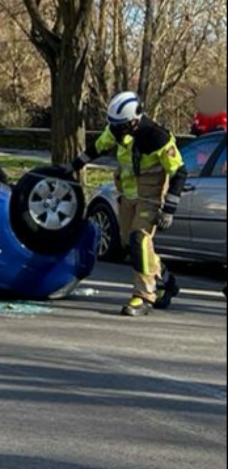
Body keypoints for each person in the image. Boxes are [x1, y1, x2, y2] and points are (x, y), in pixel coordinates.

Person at [71, 90, 186, 317]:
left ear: (134, 121)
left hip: (150, 197)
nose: (114, 130)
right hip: (126, 196)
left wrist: (170, 209)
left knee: (139, 240)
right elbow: (98, 147)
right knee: (129, 243)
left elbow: (180, 172)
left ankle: (144, 296)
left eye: (119, 125)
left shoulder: (158, 137)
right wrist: (73, 166)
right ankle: (164, 281)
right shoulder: (117, 129)